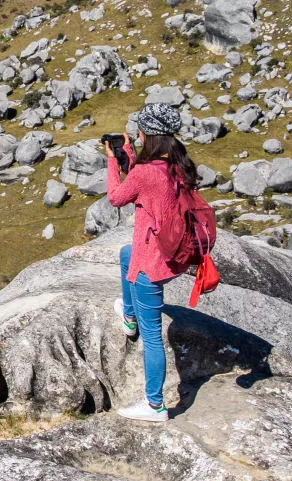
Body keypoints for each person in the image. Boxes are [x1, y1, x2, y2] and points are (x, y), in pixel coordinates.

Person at [105, 102, 199, 423]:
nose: (139, 136)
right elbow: (149, 186)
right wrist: (129, 157)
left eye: (141, 132)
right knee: (123, 254)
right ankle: (128, 316)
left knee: (152, 336)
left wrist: (111, 162)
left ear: (149, 135)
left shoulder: (147, 173)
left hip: (151, 265)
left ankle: (155, 404)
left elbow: (117, 197)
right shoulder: (177, 165)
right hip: (170, 256)